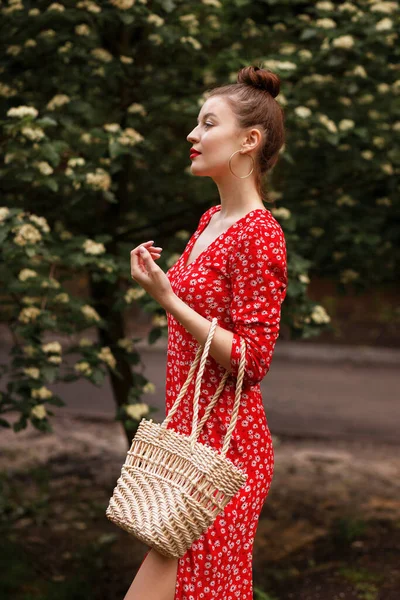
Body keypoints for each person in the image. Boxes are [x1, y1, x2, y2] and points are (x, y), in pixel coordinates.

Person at [126, 65, 288, 600]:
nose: (192, 135)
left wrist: (167, 298)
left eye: (207, 123)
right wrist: (161, 279)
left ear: (249, 140)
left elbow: (252, 360)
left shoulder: (261, 236)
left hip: (226, 453)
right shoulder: (210, 220)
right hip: (189, 444)